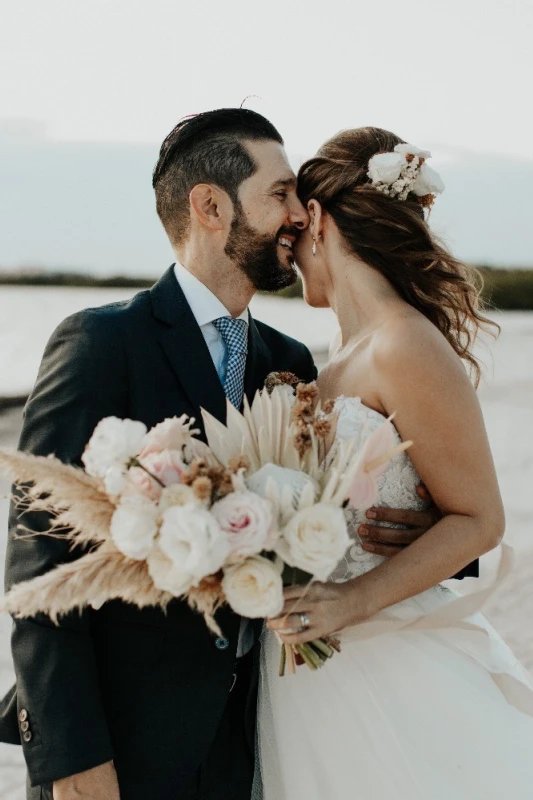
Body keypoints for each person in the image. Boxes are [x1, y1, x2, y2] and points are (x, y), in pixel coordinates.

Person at [0, 111, 447, 800]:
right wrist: (71, 762)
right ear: (210, 207)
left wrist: (406, 526)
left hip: (258, 740)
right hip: (125, 750)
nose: (299, 215)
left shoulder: (290, 362)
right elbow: (39, 564)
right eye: (279, 194)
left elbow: (364, 499)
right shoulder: (101, 344)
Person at [260, 127, 533, 799]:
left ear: (318, 219)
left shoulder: (404, 344)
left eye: (294, 232)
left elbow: (479, 518)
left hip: (383, 659)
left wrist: (349, 600)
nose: (288, 254)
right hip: (308, 669)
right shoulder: (337, 354)